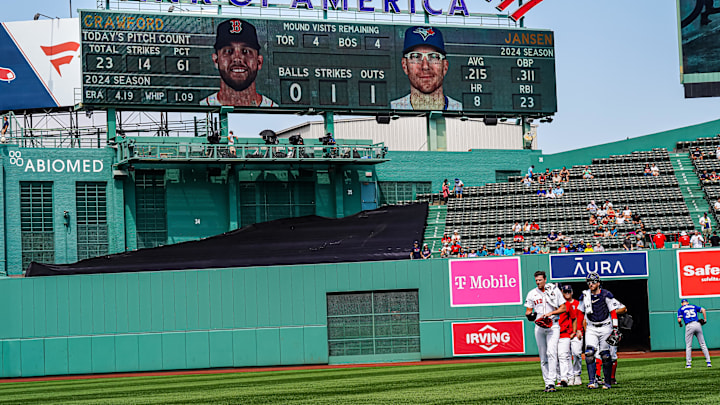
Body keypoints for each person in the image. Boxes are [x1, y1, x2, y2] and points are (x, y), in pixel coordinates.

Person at [201, 19, 278, 107]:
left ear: (259, 62)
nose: (237, 59)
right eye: (228, 51)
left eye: (246, 51)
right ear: (216, 60)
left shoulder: (276, 111)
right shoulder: (200, 109)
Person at [390, 26, 461, 111]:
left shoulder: (460, 110)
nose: (425, 66)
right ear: (404, 65)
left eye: (434, 57)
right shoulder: (392, 110)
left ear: (445, 66)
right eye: (416, 56)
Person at [524, 271, 567, 392]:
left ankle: (552, 382)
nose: (538, 282)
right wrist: (529, 315)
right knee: (543, 357)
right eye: (536, 280)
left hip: (553, 325)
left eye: (540, 280)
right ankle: (547, 383)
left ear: (545, 279)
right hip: (539, 326)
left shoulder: (554, 290)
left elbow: (563, 308)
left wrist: (551, 313)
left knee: (551, 352)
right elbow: (528, 311)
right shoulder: (532, 293)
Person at [578, 272, 621, 390]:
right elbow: (580, 314)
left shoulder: (606, 295)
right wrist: (578, 329)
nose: (591, 284)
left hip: (605, 326)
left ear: (598, 282)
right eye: (589, 282)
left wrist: (615, 328)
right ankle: (592, 381)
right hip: (591, 326)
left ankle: (607, 382)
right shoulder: (585, 296)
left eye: (593, 282)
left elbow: (613, 312)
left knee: (606, 355)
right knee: (589, 353)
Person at [558, 284, 583, 386]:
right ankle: (570, 376)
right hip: (565, 333)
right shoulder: (561, 304)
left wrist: (578, 330)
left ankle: (577, 374)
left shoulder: (578, 303)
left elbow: (580, 318)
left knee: (577, 353)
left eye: (569, 292)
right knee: (566, 356)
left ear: (572, 292)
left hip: (576, 332)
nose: (567, 293)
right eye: (565, 292)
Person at [677, 299, 712, 368]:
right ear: (688, 303)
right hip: (697, 324)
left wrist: (680, 324)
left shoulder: (681, 309)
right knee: (703, 344)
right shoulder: (693, 306)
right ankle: (708, 362)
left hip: (689, 326)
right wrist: (705, 320)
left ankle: (688, 364)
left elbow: (679, 319)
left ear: (682, 304)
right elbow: (703, 310)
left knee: (688, 346)